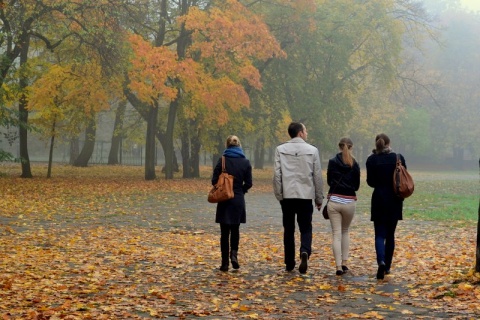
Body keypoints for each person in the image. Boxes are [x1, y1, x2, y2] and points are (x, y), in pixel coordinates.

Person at [273, 122, 324, 274]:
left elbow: (277, 175)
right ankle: (305, 250)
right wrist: (319, 198)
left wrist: (279, 194)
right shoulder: (312, 150)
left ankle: (289, 262)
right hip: (305, 195)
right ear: (300, 133)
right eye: (306, 131)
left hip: (287, 195)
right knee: (306, 227)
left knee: (288, 229)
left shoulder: (280, 150)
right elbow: (317, 176)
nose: (306, 133)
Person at [366, 133, 406, 279]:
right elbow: (403, 176)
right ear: (389, 143)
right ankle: (387, 266)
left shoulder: (371, 160)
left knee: (379, 234)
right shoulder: (398, 158)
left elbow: (370, 182)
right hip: (395, 199)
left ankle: (380, 261)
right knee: (390, 235)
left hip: (378, 199)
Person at [212, 135, 253, 272]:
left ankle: (224, 263)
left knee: (224, 232)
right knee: (235, 229)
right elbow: (249, 183)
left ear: (227, 145)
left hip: (224, 198)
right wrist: (241, 190)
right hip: (238, 199)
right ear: (239, 145)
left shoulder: (222, 160)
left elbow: (214, 180)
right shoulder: (245, 162)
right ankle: (234, 255)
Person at [326, 138, 361, 276]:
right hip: (349, 201)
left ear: (339, 147)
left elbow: (329, 181)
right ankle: (345, 262)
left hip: (334, 201)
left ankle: (338, 266)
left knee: (336, 234)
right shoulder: (355, 164)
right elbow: (357, 186)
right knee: (345, 231)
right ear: (351, 147)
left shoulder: (332, 162)